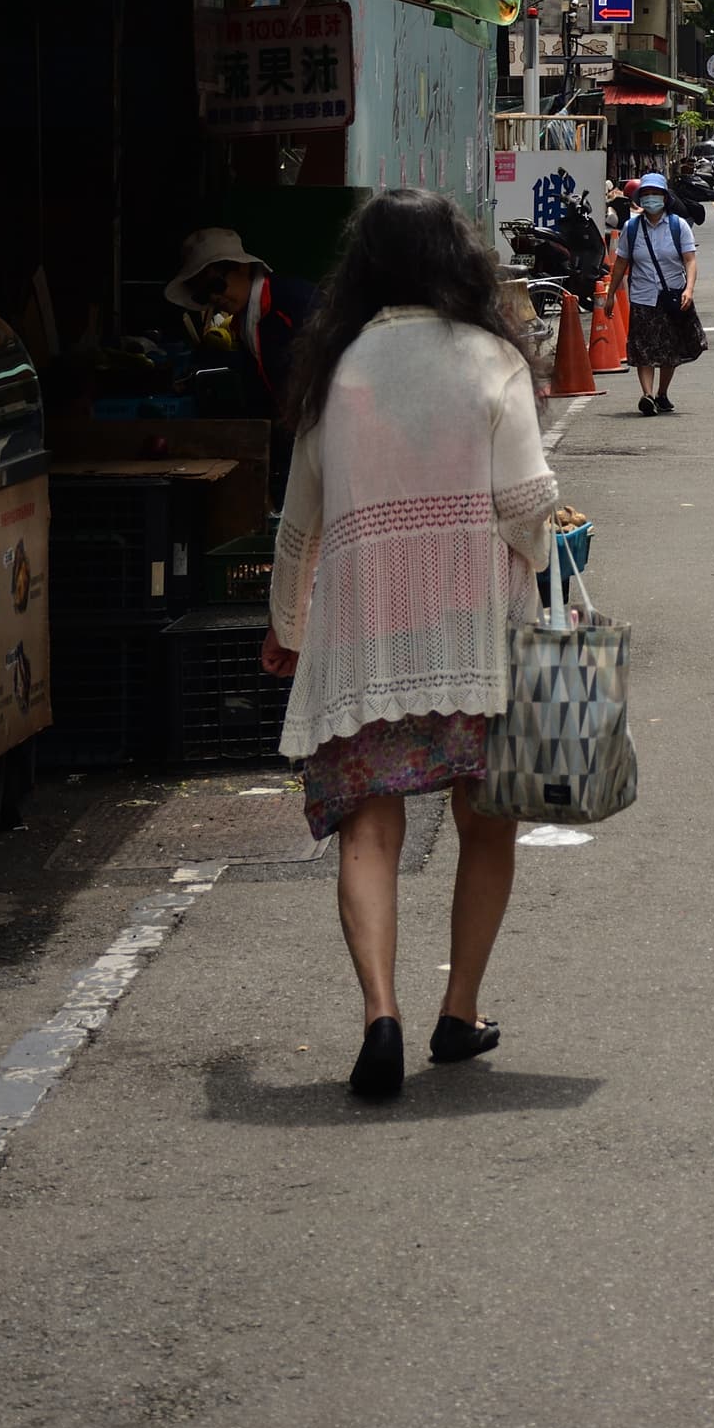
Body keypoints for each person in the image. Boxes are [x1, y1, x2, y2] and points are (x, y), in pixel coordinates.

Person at [262, 190, 559, 1103]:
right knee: (486, 819)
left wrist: (286, 630)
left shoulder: (337, 369)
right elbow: (524, 504)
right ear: (455, 261)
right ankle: (458, 1011)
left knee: (370, 827)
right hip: (477, 635)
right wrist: (545, 550)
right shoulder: (489, 359)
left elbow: (297, 526)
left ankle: (381, 1015)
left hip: (367, 640)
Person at [166, 226, 319, 424]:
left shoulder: (295, 303)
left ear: (242, 268)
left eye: (216, 285)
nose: (214, 298)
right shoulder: (246, 321)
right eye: (204, 294)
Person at [605, 170, 703, 416]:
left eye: (655, 194)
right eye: (645, 194)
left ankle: (662, 393)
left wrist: (689, 290)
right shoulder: (631, 227)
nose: (650, 199)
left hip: (672, 295)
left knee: (670, 350)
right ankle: (647, 395)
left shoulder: (678, 226)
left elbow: (690, 260)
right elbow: (620, 264)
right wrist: (610, 295)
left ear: (664, 197)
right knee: (644, 348)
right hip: (642, 297)